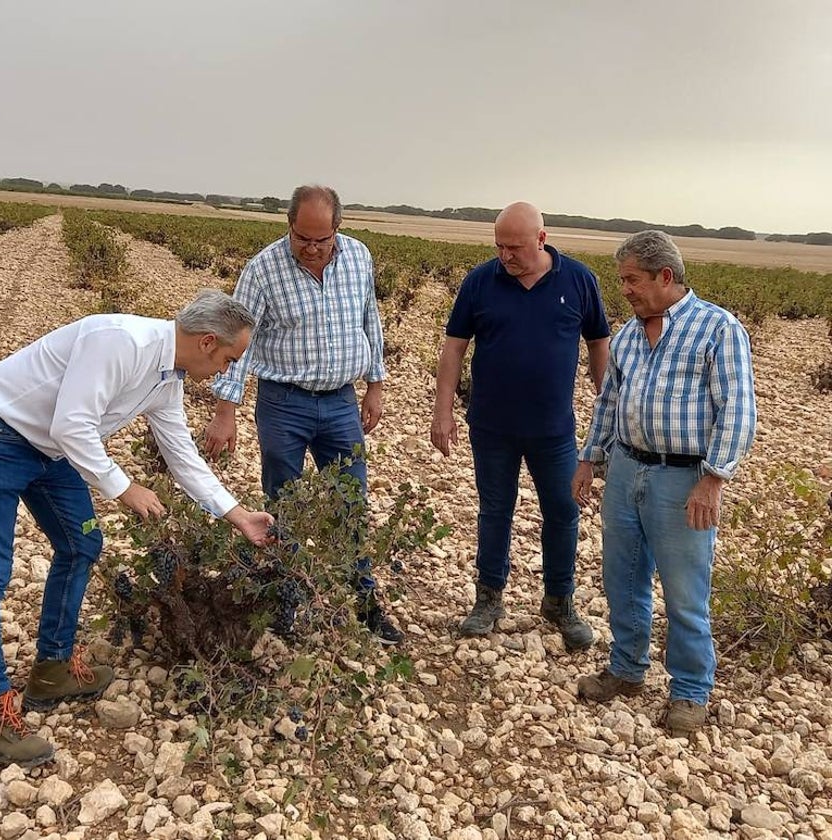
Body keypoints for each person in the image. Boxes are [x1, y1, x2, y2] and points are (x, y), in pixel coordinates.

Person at [0, 290, 275, 766]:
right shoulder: (121, 342)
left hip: (51, 451)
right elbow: (72, 425)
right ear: (207, 342)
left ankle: (52, 668)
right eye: (230, 358)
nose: (227, 370)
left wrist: (237, 514)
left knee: (82, 544)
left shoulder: (167, 379)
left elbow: (181, 453)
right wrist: (125, 488)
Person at [201, 184, 402, 644]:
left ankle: (363, 602)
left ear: (338, 229)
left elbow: (369, 320)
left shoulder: (359, 258)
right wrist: (224, 411)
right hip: (283, 403)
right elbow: (236, 341)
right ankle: (285, 599)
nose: (311, 249)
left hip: (341, 402)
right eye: (302, 238)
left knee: (352, 504)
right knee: (282, 504)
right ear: (288, 225)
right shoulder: (263, 269)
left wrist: (375, 385)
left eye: (321, 239)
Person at [573, 230, 756, 736]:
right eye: (622, 281)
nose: (625, 290)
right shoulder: (629, 335)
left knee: (684, 590)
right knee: (622, 577)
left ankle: (691, 690)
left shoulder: (718, 329)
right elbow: (608, 402)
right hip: (626, 468)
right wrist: (589, 459)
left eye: (632, 280)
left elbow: (738, 410)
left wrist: (714, 478)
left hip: (684, 477)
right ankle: (627, 669)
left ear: (666, 277)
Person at [430, 202, 610, 650]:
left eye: (515, 247)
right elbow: (453, 349)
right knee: (495, 510)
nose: (505, 256)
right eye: (499, 247)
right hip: (491, 427)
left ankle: (559, 601)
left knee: (564, 512)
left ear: (541, 240)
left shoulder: (580, 280)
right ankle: (488, 599)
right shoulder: (479, 281)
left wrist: (609, 413)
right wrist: (443, 410)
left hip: (554, 431)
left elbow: (599, 346)